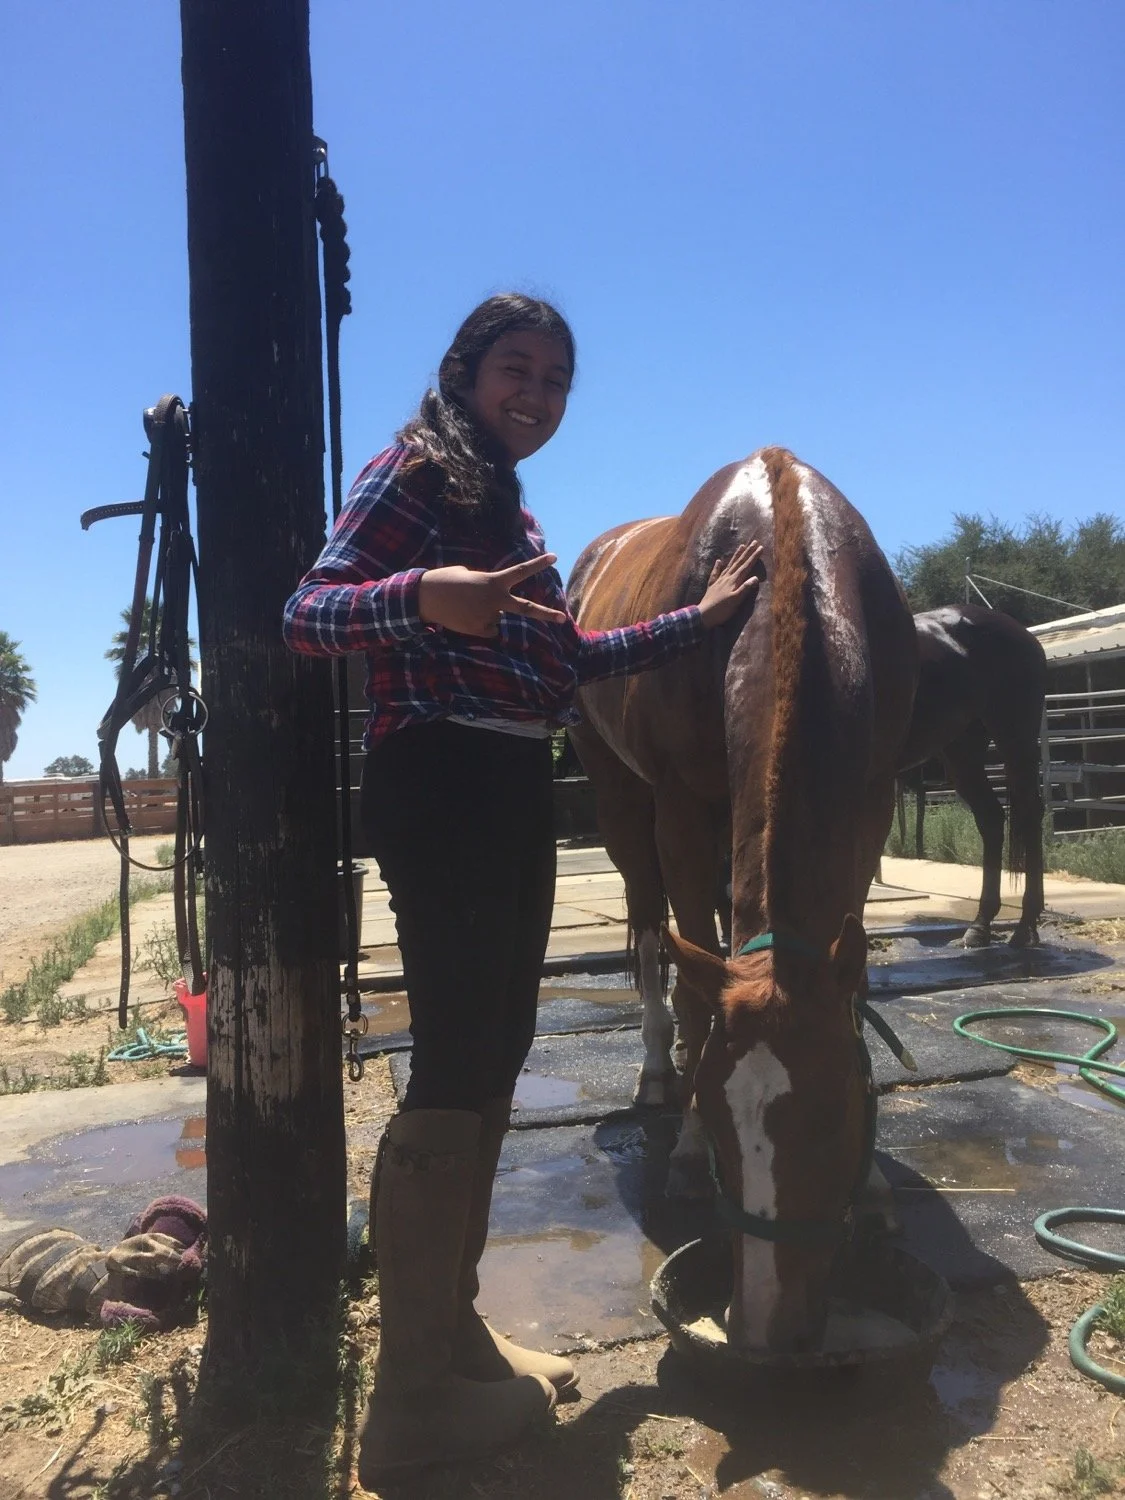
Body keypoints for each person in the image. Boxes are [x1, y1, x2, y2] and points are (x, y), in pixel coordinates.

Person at [283, 293, 762, 1480]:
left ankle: (456, 1338)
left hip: (505, 788)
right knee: (453, 1064)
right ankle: (409, 1405)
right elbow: (305, 613)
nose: (536, 393)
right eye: (516, 368)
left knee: (495, 1059)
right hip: (438, 773)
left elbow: (565, 663)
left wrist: (695, 624)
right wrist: (420, 595)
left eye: (555, 379)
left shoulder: (512, 511)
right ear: (464, 371)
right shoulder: (414, 474)